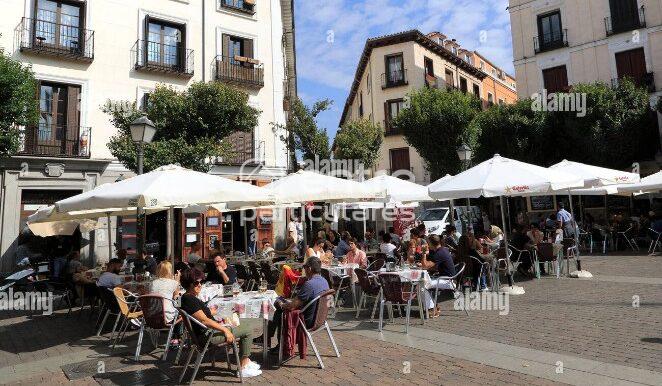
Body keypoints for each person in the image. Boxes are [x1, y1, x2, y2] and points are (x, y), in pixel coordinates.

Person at [179, 268, 261, 378]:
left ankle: (245, 361)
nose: (200, 285)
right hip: (208, 336)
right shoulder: (190, 300)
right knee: (248, 329)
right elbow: (204, 320)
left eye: (201, 282)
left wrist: (221, 310)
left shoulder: (188, 298)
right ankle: (243, 366)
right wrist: (225, 330)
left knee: (241, 322)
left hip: (206, 334)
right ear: (188, 284)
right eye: (196, 283)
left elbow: (205, 313)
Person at [260, 256, 329, 352]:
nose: (303, 269)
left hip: (307, 321)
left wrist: (280, 303)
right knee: (280, 307)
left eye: (304, 267)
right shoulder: (324, 281)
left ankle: (277, 344)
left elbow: (292, 306)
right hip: (320, 319)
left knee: (278, 309)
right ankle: (267, 338)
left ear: (309, 269)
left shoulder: (309, 284)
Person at [420, 235, 456, 317]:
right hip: (448, 278)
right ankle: (434, 306)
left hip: (448, 281)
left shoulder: (439, 253)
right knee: (424, 283)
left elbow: (425, 266)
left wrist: (424, 253)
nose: (428, 245)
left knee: (422, 286)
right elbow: (434, 266)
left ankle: (432, 309)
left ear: (431, 243)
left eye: (428, 243)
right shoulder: (443, 250)